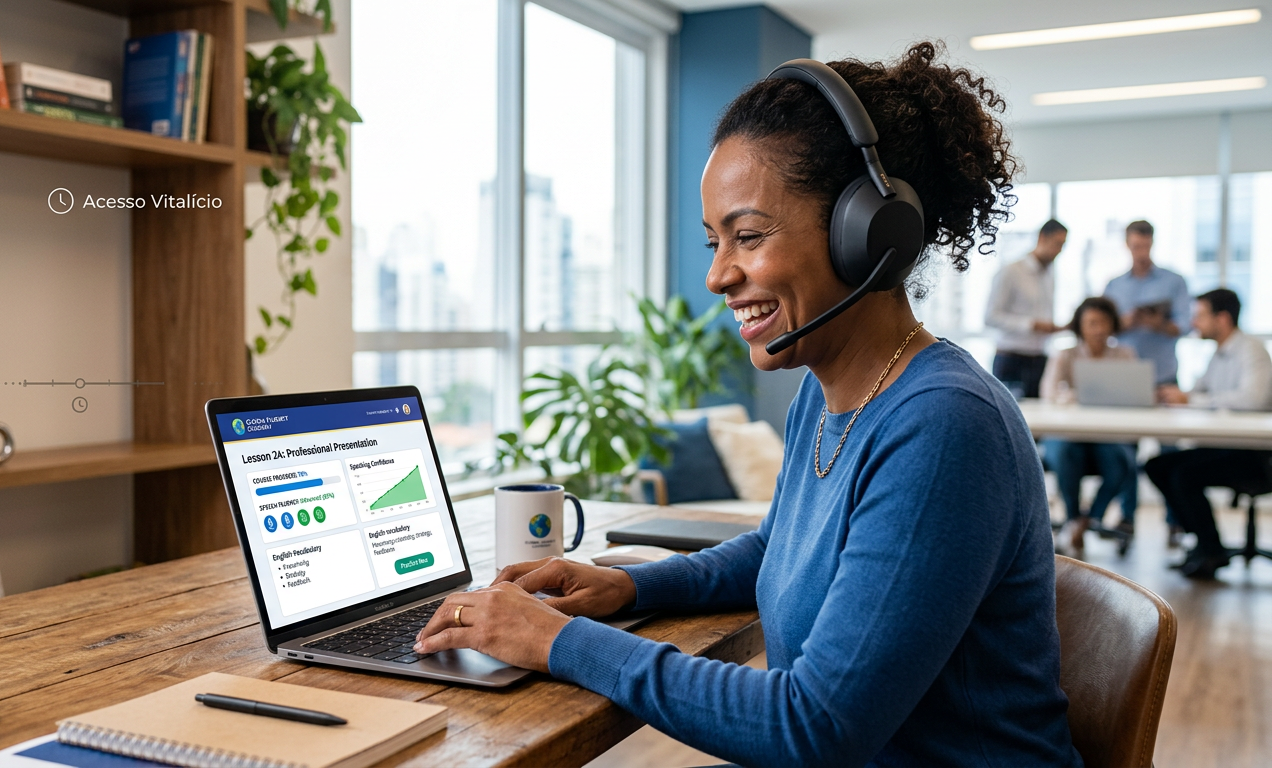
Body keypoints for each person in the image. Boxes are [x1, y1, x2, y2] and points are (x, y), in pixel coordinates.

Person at [413, 43, 1080, 766]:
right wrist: (624, 587)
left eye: (748, 235)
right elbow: (780, 549)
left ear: (867, 233)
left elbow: (812, 726)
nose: (717, 275)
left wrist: (557, 641)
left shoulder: (946, 424)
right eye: (714, 241)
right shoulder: (826, 397)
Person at [1146, 288, 1272, 579]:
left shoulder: (1250, 350)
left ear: (1223, 318)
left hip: (1254, 454)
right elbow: (1200, 392)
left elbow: (1252, 400)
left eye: (1200, 316)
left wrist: (1190, 400)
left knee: (1183, 475)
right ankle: (1202, 542)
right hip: (1226, 445)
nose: (1194, 324)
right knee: (1157, 466)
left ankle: (1211, 550)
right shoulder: (1219, 353)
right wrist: (1177, 395)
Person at [1039, 297, 1138, 554]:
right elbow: (1048, 393)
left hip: (1107, 434)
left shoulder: (1124, 355)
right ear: (1080, 327)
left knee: (1121, 463)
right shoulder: (1065, 354)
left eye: (1104, 323)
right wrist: (1074, 397)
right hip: (1069, 433)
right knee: (1064, 453)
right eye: (1092, 323)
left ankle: (1088, 519)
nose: (1098, 330)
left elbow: (1134, 397)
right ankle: (1073, 517)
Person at [1102, 220, 1190, 386]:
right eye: (1137, 247)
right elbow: (1102, 329)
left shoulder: (1174, 281)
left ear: (1152, 244)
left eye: (1146, 246)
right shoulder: (1114, 286)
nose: (1142, 253)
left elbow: (1185, 326)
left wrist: (1159, 325)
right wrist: (1124, 323)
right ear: (1127, 245)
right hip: (1123, 374)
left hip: (1163, 374)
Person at [987, 219, 1067, 398]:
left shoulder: (1050, 275)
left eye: (1063, 245)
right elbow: (990, 317)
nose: (1059, 250)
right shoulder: (1011, 271)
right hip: (1011, 360)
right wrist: (1032, 325)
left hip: (1039, 359)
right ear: (1042, 237)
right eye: (1057, 243)